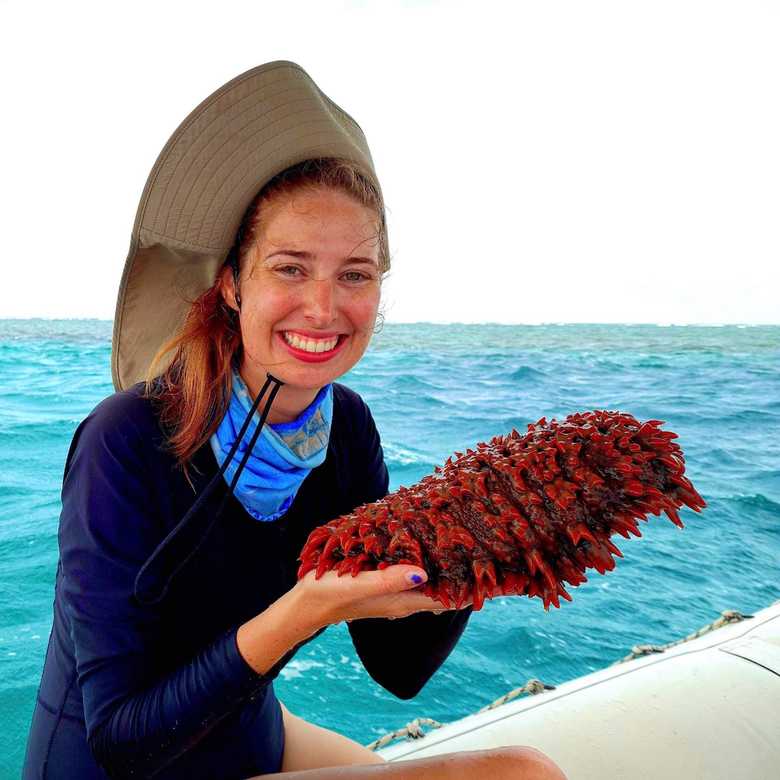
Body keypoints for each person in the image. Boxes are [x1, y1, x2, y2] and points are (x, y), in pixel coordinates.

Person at [22, 62, 567, 779]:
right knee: (521, 771)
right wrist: (305, 611)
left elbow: (397, 666)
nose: (323, 306)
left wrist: (484, 551)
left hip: (249, 731)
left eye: (354, 274)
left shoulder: (347, 429)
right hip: (119, 769)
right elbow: (120, 736)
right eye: (289, 268)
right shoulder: (124, 438)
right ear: (231, 282)